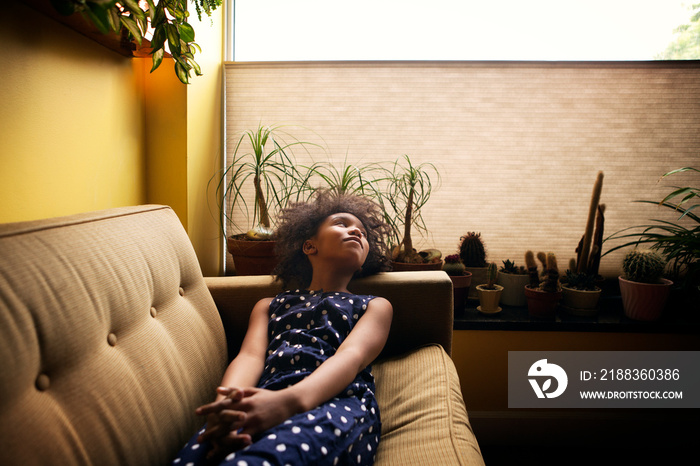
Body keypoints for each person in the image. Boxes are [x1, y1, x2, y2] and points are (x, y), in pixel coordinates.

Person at [173, 191, 394, 466]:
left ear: (364, 261)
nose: (356, 231)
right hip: (262, 398)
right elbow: (250, 357)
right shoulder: (269, 305)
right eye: (342, 223)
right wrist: (228, 405)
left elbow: (350, 358)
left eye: (362, 232)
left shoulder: (375, 306)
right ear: (309, 246)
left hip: (336, 402)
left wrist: (288, 403)